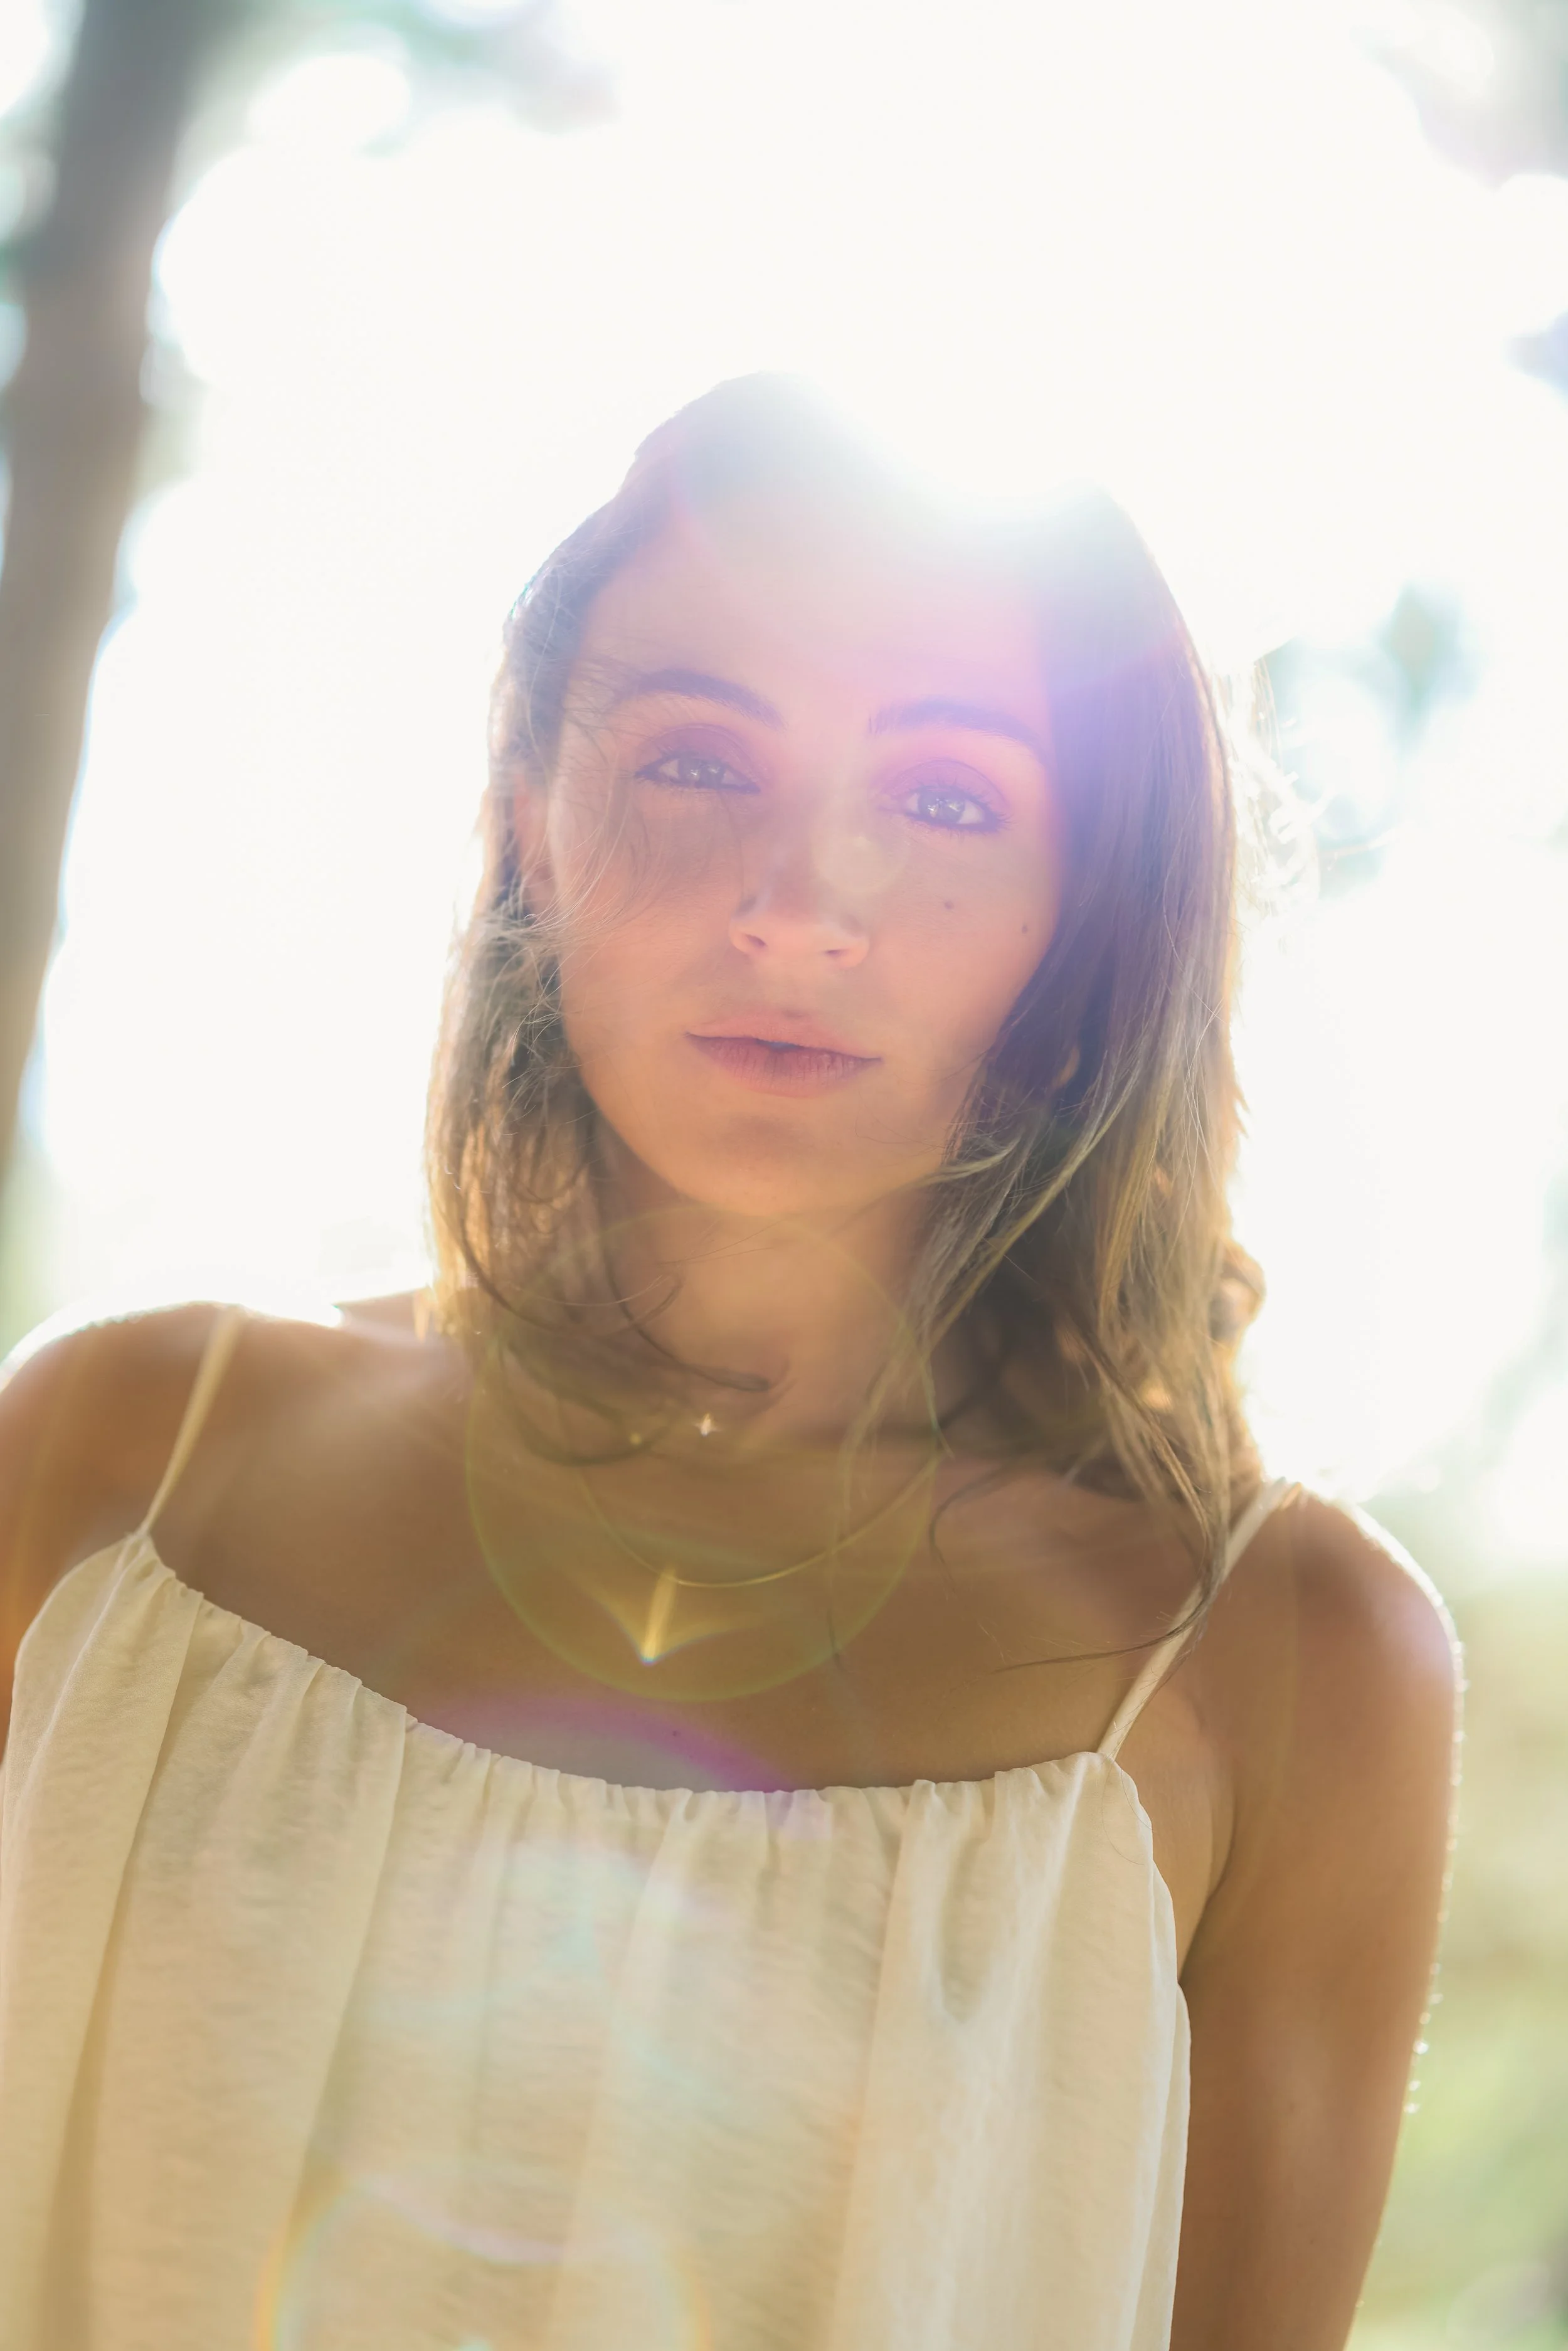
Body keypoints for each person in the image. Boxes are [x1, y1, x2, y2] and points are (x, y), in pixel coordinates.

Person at [0, 376, 1458, 2351]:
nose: (799, 908)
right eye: (697, 759)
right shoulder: (117, 1459)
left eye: (946, 798)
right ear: (528, 811)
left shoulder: (1280, 1661)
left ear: (1082, 910)